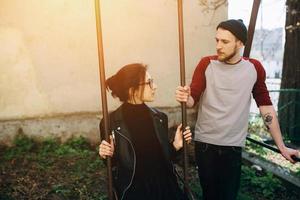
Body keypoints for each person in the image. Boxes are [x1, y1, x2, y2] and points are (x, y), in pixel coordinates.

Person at [175, 19, 300, 200]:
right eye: (217, 40)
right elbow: (192, 98)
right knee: (210, 196)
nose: (218, 46)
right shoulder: (206, 64)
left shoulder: (254, 68)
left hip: (232, 147)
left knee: (228, 196)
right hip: (205, 145)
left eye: (225, 42)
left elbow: (266, 108)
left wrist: (281, 146)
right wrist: (185, 96)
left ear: (240, 43)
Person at [99, 63, 192, 200]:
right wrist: (106, 154)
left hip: (165, 188)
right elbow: (113, 165)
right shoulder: (110, 122)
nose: (155, 86)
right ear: (132, 90)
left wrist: (175, 146)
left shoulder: (159, 118)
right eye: (149, 82)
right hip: (135, 191)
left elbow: (162, 159)